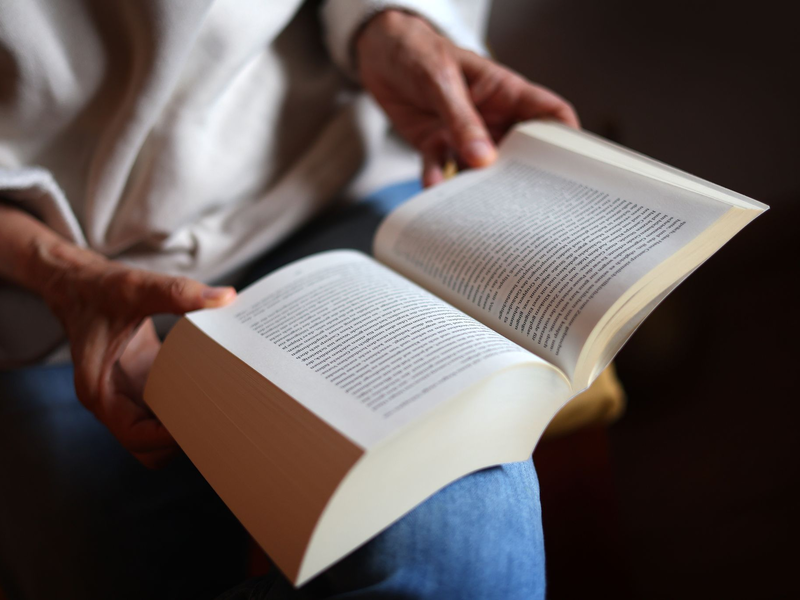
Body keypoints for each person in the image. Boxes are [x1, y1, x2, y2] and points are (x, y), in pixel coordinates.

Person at [0, 1, 578, 598]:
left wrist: (386, 24)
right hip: (49, 298)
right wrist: (62, 276)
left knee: (458, 564)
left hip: (323, 190)